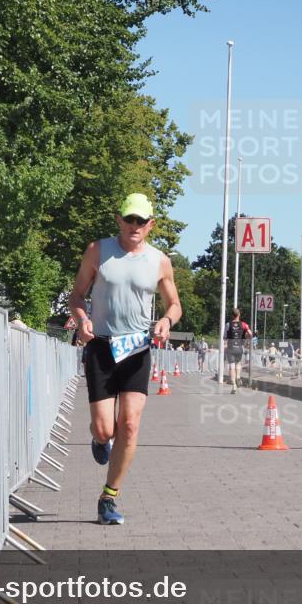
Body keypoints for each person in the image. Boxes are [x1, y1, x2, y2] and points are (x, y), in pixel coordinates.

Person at [69, 192, 182, 525]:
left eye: (141, 221)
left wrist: (165, 321)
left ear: (151, 225)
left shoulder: (160, 260)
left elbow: (174, 304)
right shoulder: (98, 251)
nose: (135, 226)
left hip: (136, 348)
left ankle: (108, 497)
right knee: (106, 430)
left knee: (129, 425)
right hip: (101, 347)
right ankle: (98, 439)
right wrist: (82, 319)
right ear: (119, 220)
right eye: (129, 219)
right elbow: (77, 294)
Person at [223, 307, 252, 394]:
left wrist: (225, 344)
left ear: (232, 315)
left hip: (230, 348)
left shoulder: (228, 324)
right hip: (239, 347)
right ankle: (238, 377)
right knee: (238, 363)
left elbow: (224, 337)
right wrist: (247, 338)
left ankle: (234, 385)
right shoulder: (244, 324)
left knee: (232, 366)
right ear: (239, 315)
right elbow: (250, 333)